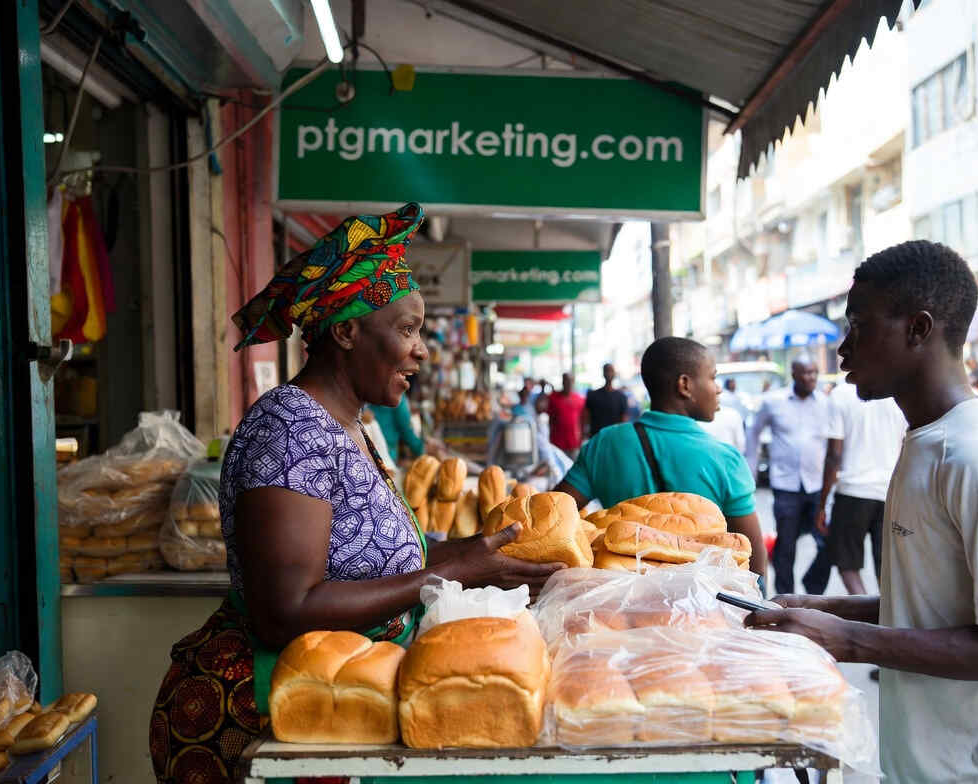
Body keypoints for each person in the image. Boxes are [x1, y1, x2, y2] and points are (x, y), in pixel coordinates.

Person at [148, 204, 564, 784]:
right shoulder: (289, 429)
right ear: (345, 331)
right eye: (408, 329)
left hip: (329, 695)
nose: (421, 350)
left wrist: (482, 555)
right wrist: (447, 576)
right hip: (256, 717)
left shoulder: (349, 426)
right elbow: (284, 611)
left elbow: (375, 561)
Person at [745, 240, 978, 783]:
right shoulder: (924, 439)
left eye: (859, 325)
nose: (843, 349)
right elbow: (938, 604)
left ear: (918, 328)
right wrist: (825, 609)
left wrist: (845, 640)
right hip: (934, 765)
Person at [554, 337, 767, 576]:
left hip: (616, 601)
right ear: (684, 385)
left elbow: (556, 515)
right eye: (712, 377)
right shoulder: (725, 458)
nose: (718, 388)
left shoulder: (604, 444)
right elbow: (751, 551)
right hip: (700, 607)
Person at [744, 356, 833, 596]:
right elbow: (753, 434)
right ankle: (787, 598)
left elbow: (833, 444)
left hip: (817, 486)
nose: (811, 378)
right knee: (786, 545)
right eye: (805, 373)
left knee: (828, 542)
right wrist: (750, 472)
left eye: (814, 372)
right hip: (786, 486)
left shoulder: (826, 403)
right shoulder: (773, 402)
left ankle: (813, 586)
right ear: (793, 374)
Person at [815, 380, 906, 596]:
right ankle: (887, 615)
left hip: (852, 492)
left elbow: (834, 456)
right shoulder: (897, 393)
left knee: (848, 565)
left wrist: (822, 504)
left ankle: (866, 611)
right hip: (889, 492)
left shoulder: (841, 395)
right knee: (886, 566)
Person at [583, 362, 629, 438]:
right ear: (603, 373)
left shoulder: (621, 397)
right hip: (596, 438)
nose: (609, 373)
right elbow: (586, 417)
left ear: (614, 374)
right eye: (607, 370)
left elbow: (624, 421)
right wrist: (585, 432)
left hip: (614, 438)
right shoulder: (593, 395)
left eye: (611, 371)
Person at [547, 372, 586, 457]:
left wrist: (581, 439)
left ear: (573, 382)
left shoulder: (580, 399)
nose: (568, 383)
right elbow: (550, 419)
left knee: (573, 468)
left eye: (570, 381)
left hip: (574, 444)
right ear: (562, 381)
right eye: (566, 380)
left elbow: (582, 421)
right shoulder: (553, 398)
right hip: (557, 443)